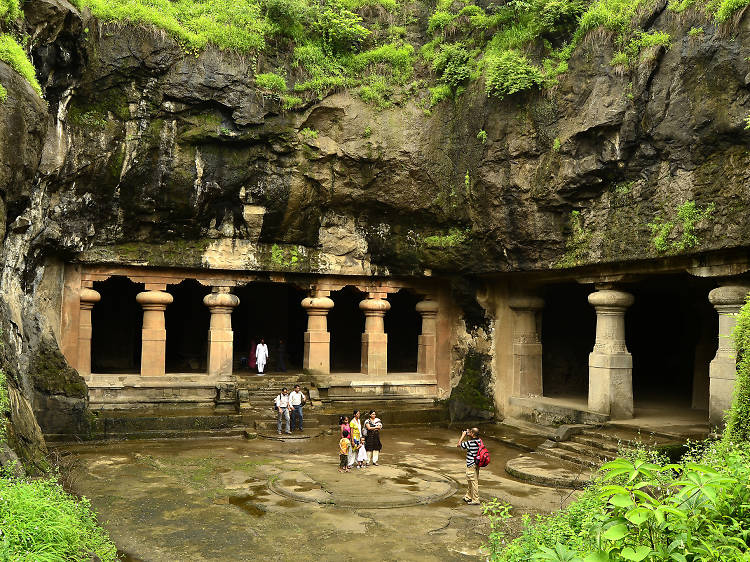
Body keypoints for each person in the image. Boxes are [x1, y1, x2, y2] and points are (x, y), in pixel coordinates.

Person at [457, 427, 482, 505]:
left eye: (470, 432)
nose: (469, 433)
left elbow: (459, 445)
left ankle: (475, 499)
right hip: (477, 464)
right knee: (471, 481)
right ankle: (468, 496)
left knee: (473, 482)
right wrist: (469, 434)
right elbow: (472, 441)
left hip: (471, 464)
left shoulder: (470, 443)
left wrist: (463, 435)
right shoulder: (479, 441)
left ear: (473, 434)